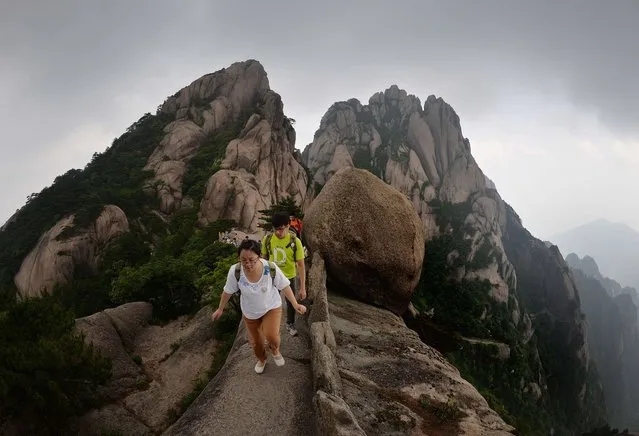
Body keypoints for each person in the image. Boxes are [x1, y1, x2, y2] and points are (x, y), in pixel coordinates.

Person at [211, 239, 307, 374]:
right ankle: (262, 359)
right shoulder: (235, 271)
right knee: (257, 344)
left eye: (251, 260)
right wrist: (220, 308)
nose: (247, 264)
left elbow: (285, 285)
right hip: (250, 312)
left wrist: (295, 303)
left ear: (259, 256)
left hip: (271, 307)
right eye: (243, 260)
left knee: (272, 336)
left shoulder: (270, 267)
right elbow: (228, 290)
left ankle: (275, 350)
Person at [261, 212, 306, 336]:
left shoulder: (295, 242)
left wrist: (302, 288)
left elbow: (301, 265)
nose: (279, 232)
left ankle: (290, 324)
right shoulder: (268, 239)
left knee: (291, 302)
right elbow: (263, 259)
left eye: (281, 229)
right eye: (276, 229)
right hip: (272, 277)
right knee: (268, 302)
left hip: (289, 277)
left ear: (287, 226)